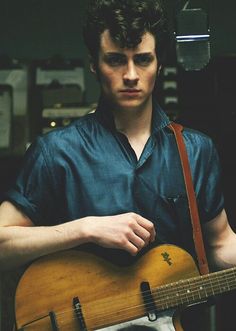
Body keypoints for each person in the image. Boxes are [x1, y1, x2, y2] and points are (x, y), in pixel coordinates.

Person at [0, 0, 236, 330]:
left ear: (159, 63)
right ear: (94, 65)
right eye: (115, 60)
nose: (130, 75)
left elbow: (221, 244)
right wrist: (85, 228)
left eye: (142, 60)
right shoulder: (55, 152)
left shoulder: (195, 150)